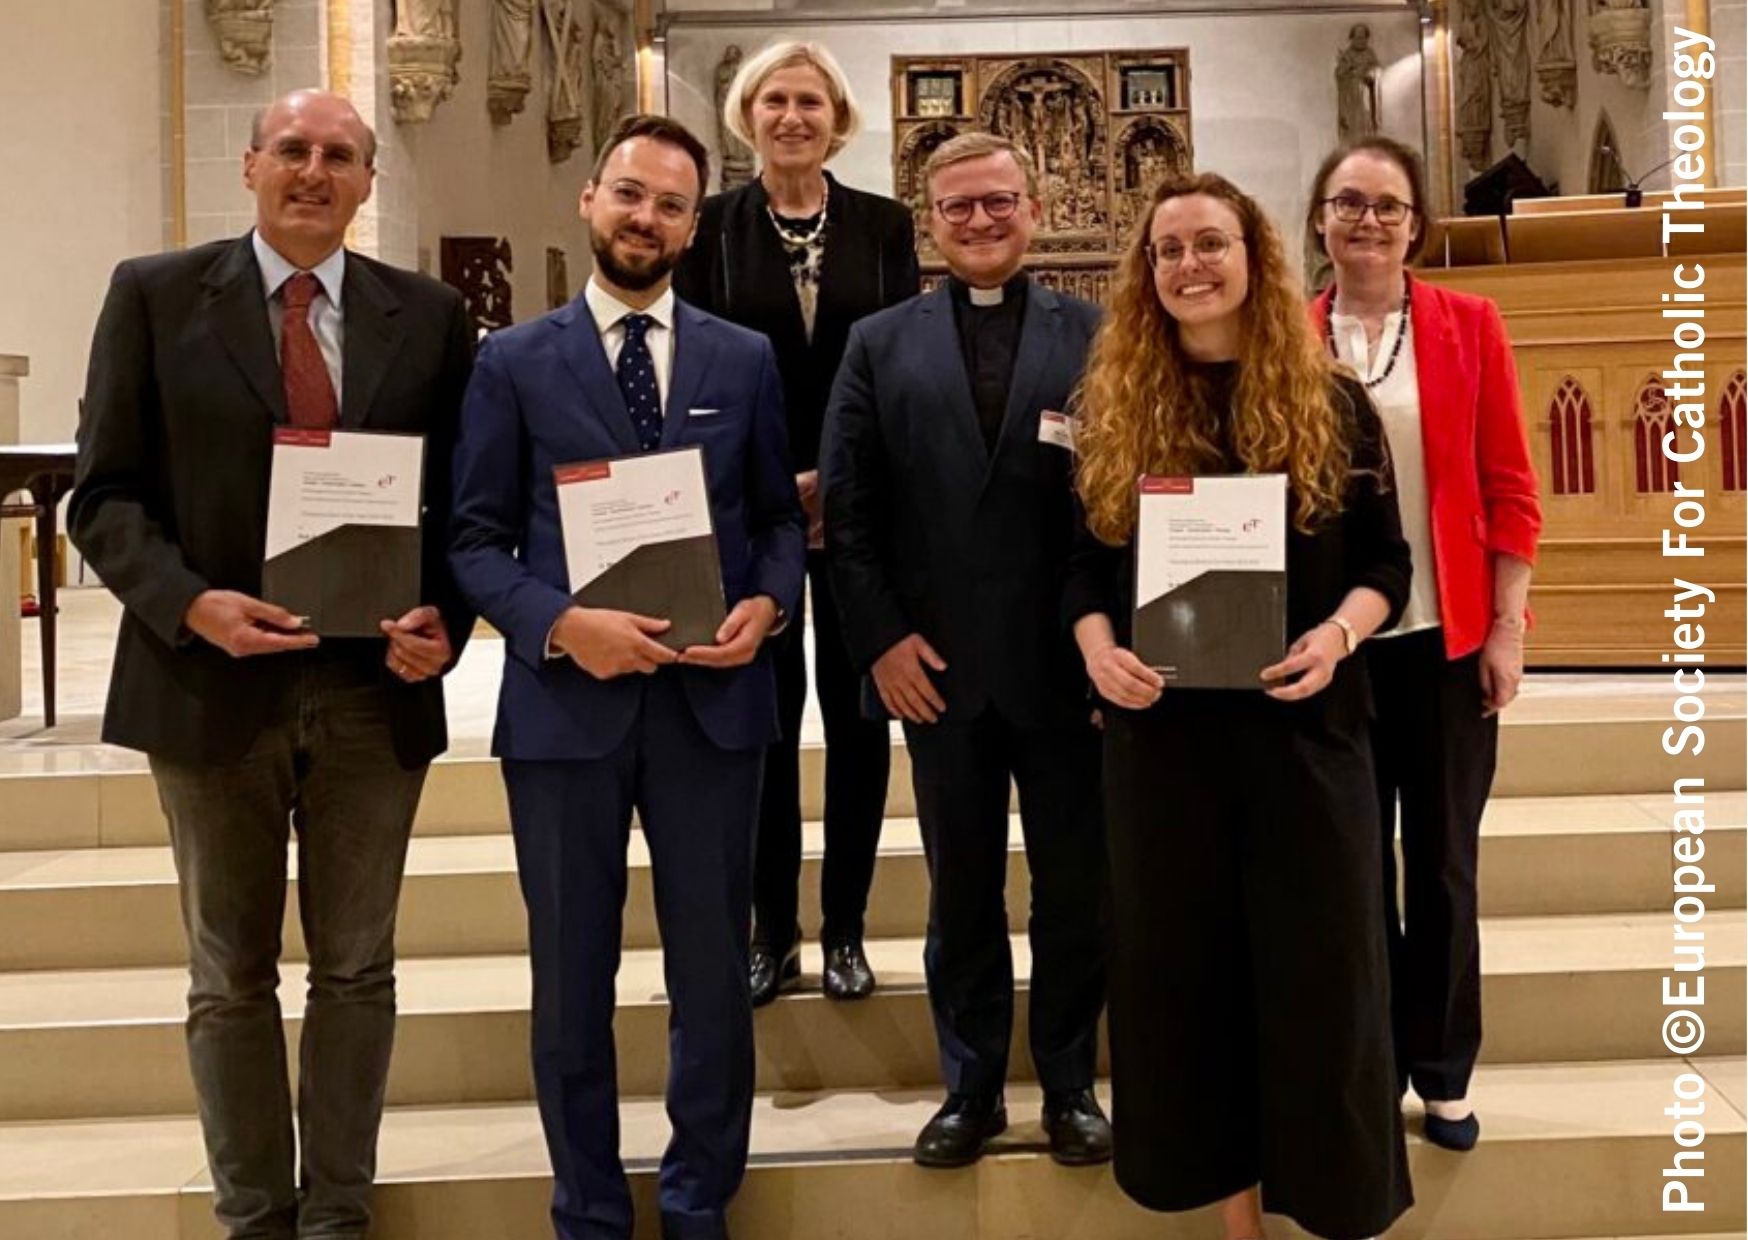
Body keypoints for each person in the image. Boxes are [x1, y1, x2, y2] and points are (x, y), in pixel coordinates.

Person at [68, 89, 475, 1239]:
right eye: (291, 150)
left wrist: (439, 611)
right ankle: (256, 1212)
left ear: (366, 183)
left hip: (369, 691)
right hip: (208, 689)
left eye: (338, 156)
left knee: (355, 967)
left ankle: (337, 1209)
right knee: (228, 972)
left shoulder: (429, 315)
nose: (313, 170)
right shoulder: (153, 296)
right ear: (248, 166)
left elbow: (463, 502)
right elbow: (103, 497)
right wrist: (191, 605)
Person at [448, 114, 805, 1240]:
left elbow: (771, 522)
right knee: (571, 979)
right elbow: (471, 539)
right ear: (589, 200)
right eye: (628, 194)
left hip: (711, 704)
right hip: (567, 713)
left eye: (669, 204)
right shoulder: (509, 361)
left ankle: (700, 1199)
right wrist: (559, 627)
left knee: (711, 973)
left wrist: (770, 602)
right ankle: (590, 1208)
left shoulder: (741, 358)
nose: (644, 217)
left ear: (692, 226)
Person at [1064, 170, 1413, 1240]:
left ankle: (1329, 1199)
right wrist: (1096, 653)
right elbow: (1078, 574)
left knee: (1322, 976)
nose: (1187, 266)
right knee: (1186, 980)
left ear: (1253, 258)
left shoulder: (1328, 396)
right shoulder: (1112, 407)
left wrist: (1337, 633)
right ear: (1145, 274)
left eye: (1208, 243)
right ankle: (1234, 1213)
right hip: (1165, 748)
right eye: (1165, 251)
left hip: (1303, 732)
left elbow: (1385, 565)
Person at [821, 132, 1110, 1170]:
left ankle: (1070, 1080)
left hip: (1065, 666)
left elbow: (1115, 508)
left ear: (1032, 208)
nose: (979, 222)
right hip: (934, 668)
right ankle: (972, 1083)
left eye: (997, 203)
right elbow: (847, 515)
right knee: (962, 889)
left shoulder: (1097, 332)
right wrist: (881, 642)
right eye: (957, 209)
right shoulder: (877, 342)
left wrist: (1109, 646)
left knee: (1077, 885)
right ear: (928, 221)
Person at [1305, 136, 1542, 1152]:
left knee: (1439, 860)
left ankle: (1441, 1068)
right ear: (1317, 217)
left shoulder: (1466, 325)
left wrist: (1504, 626)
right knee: (1347, 866)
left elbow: (1508, 489)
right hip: (1329, 645)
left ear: (1414, 225)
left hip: (1441, 637)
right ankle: (1363, 1063)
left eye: (1386, 206)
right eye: (1346, 202)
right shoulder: (1281, 332)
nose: (1366, 219)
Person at [675, 40, 919, 1006]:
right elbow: (697, 363)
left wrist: (836, 478)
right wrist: (778, 481)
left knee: (859, 728)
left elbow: (895, 360)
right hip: (747, 508)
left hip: (858, 508)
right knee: (766, 727)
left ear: (838, 118)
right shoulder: (713, 226)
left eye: (810, 101)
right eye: (774, 99)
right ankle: (770, 931)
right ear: (747, 115)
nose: (792, 116)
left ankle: (847, 930)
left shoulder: (885, 225)